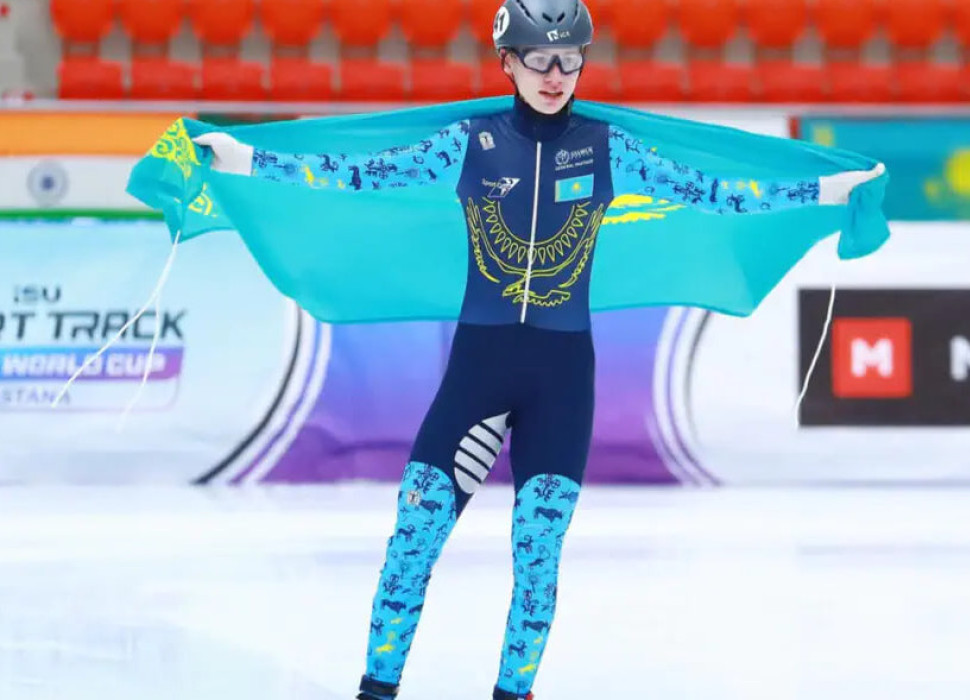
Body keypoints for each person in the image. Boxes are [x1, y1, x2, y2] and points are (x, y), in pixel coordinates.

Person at [194, 1, 880, 697]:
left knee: (537, 562)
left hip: (561, 381)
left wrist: (826, 191)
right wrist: (246, 160)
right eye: (540, 59)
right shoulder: (470, 143)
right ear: (508, 62)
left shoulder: (608, 148)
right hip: (479, 373)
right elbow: (355, 173)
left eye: (569, 60)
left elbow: (719, 194)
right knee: (412, 544)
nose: (555, 75)